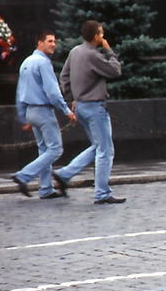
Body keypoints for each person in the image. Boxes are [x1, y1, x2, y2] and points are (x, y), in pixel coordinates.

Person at [53, 20, 126, 205]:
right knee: (105, 150)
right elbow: (115, 70)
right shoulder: (92, 55)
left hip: (81, 106)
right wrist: (108, 49)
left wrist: (72, 99)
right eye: (101, 33)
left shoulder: (75, 51)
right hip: (95, 108)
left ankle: (64, 174)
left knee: (97, 146)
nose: (103, 37)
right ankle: (102, 193)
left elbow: (64, 76)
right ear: (96, 36)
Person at [11, 30, 76, 198]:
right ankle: (23, 176)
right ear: (40, 43)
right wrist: (66, 111)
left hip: (31, 112)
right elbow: (53, 92)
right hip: (43, 111)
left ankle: (46, 189)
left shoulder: (26, 62)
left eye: (54, 41)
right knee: (55, 150)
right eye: (50, 41)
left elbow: (20, 92)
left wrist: (23, 116)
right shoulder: (43, 63)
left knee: (44, 150)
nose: (53, 44)